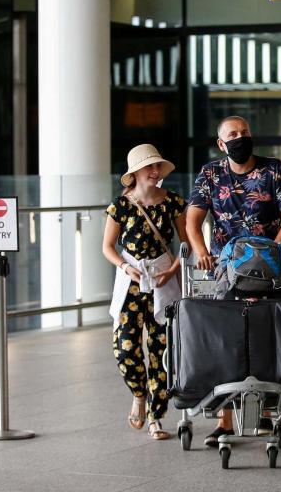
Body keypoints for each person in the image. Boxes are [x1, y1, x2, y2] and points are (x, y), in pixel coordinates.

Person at [186, 115, 281, 446]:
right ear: (221, 144)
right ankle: (224, 420)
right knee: (227, 340)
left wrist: (276, 249)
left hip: (266, 269)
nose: (241, 138)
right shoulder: (210, 174)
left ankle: (264, 415)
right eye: (233, 135)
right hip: (226, 269)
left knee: (263, 337)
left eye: (245, 132)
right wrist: (202, 252)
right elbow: (193, 220)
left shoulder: (274, 169)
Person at [102, 144, 188, 440]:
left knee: (162, 353)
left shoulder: (174, 202)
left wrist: (172, 270)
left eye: (157, 167)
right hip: (131, 283)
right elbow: (107, 248)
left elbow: (186, 244)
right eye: (149, 168)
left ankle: (156, 417)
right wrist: (126, 268)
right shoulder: (120, 206)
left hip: (163, 280)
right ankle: (139, 394)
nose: (155, 172)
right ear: (135, 173)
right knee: (125, 347)